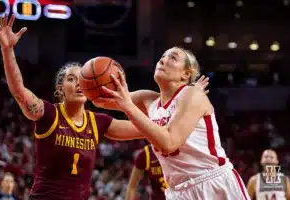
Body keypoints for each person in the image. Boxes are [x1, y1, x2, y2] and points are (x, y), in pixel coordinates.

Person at [0, 15, 209, 200]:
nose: (78, 83)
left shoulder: (98, 122)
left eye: (81, 79)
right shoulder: (49, 114)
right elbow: (19, 90)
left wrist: (184, 97)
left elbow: (151, 126)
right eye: (71, 79)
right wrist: (7, 50)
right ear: (60, 88)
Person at [93, 46, 251, 200]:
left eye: (172, 58)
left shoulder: (192, 93)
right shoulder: (149, 100)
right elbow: (102, 100)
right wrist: (85, 82)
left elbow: (169, 143)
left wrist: (127, 106)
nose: (163, 60)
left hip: (212, 184)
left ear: (186, 74)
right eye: (162, 57)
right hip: (177, 192)